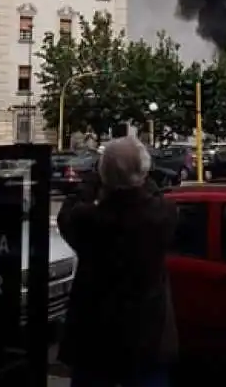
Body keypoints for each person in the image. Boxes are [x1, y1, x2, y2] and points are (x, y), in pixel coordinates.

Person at [57, 136, 178, 387]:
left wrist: (91, 183)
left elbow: (67, 213)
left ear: (103, 175)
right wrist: (140, 177)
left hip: (96, 340)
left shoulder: (89, 220)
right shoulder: (162, 215)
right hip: (148, 339)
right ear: (143, 173)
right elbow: (154, 193)